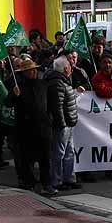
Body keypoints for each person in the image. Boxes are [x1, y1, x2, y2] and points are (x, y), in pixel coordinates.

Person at [7, 59, 52, 193]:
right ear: (24, 72)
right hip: (25, 128)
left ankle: (46, 183)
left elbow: (50, 103)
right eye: (30, 70)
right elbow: (7, 103)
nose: (33, 72)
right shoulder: (18, 86)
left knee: (45, 158)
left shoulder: (43, 84)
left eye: (34, 69)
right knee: (27, 158)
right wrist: (13, 95)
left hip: (43, 127)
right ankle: (28, 182)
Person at [46, 56, 79, 195]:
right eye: (69, 65)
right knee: (59, 153)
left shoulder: (62, 81)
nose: (71, 67)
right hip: (63, 124)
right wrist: (62, 123)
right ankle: (57, 180)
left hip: (68, 122)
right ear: (65, 68)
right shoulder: (57, 83)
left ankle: (69, 178)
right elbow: (57, 106)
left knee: (68, 151)